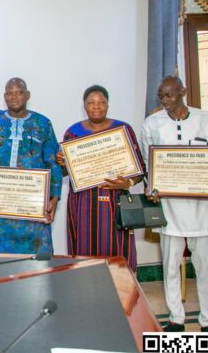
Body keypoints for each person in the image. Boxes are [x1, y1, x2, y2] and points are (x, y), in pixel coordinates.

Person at [141, 77, 208, 332]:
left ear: (183, 92)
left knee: (205, 269)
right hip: (169, 208)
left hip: (201, 209)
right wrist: (150, 187)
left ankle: (207, 320)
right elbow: (148, 164)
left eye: (170, 95)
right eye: (161, 96)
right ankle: (176, 318)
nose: (165, 100)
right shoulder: (152, 123)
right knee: (170, 267)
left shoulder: (206, 119)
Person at [56, 85, 144, 271]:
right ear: (84, 106)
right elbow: (65, 173)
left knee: (117, 254)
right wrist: (63, 164)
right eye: (91, 103)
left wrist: (127, 182)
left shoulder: (123, 129)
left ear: (108, 105)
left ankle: (121, 293)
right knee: (84, 255)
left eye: (101, 102)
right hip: (82, 203)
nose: (97, 107)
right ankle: (87, 293)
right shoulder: (73, 132)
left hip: (115, 200)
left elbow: (139, 170)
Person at [0, 78, 62, 254]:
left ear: (27, 95)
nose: (14, 97)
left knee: (37, 261)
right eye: (10, 93)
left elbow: (53, 163)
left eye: (19, 92)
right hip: (1, 204)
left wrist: (55, 197)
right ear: (4, 96)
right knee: (1, 262)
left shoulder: (42, 123)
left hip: (34, 206)